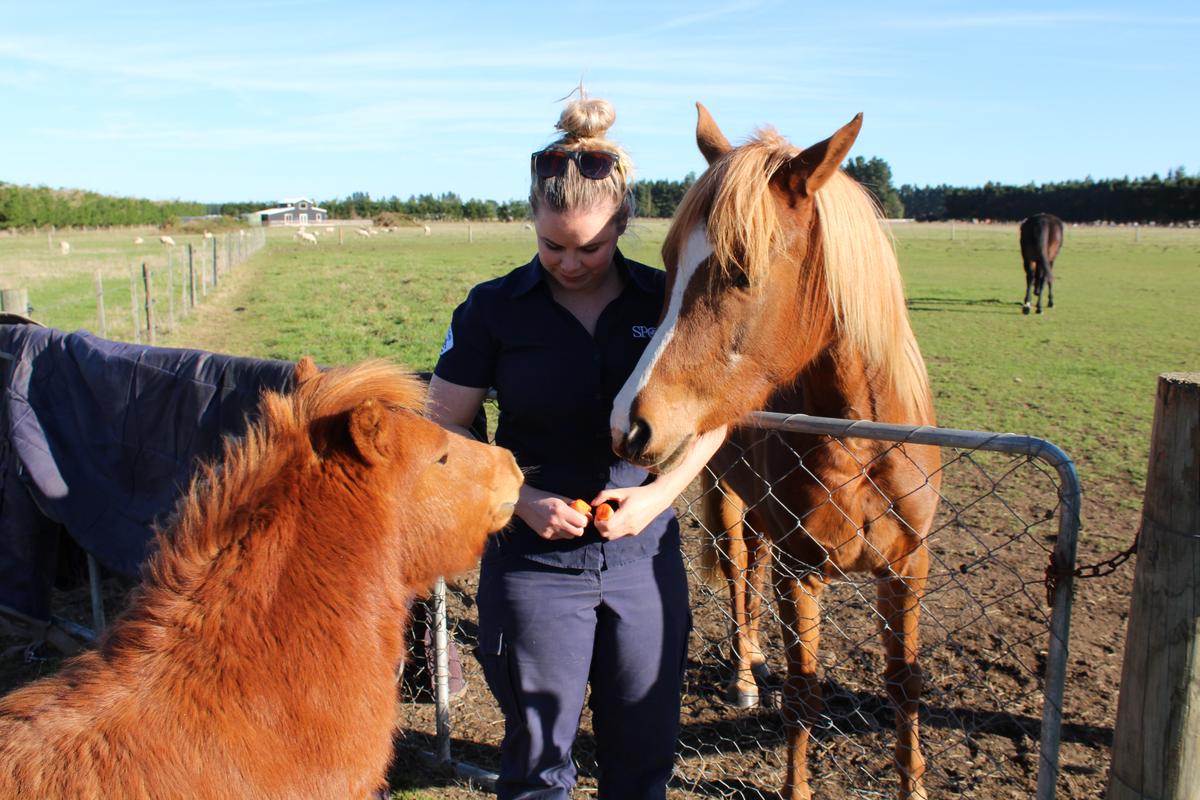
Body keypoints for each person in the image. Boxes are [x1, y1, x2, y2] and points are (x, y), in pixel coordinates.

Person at [428, 90, 726, 800]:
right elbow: (438, 429)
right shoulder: (492, 309)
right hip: (533, 565)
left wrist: (655, 500)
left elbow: (715, 417)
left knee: (643, 758)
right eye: (552, 244)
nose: (569, 262)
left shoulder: (666, 302)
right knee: (537, 764)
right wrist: (519, 499)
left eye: (591, 246)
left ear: (623, 221)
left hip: (642, 562)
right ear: (531, 219)